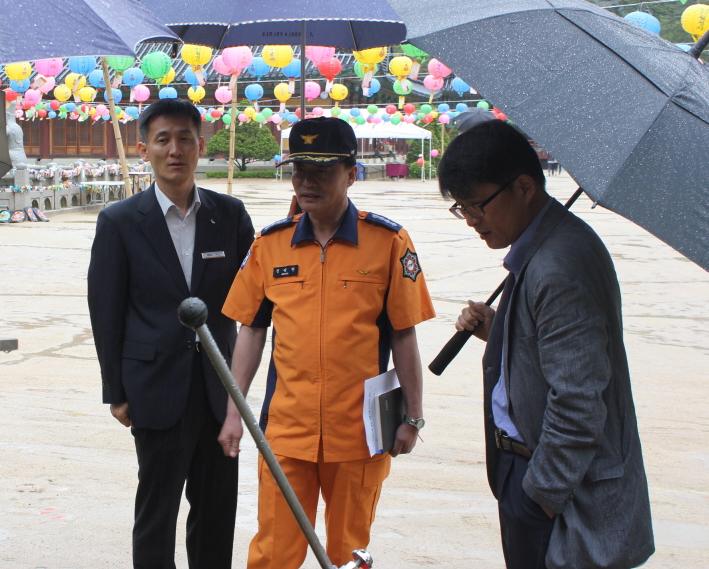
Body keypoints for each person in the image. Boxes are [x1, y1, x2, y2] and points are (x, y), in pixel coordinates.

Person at [220, 117, 435, 569]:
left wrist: (412, 416)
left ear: (351, 174)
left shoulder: (388, 242)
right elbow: (251, 331)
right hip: (286, 431)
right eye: (299, 171)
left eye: (321, 171)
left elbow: (404, 334)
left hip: (360, 434)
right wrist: (233, 413)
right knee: (273, 554)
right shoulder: (270, 245)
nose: (307, 182)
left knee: (347, 553)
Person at [441, 121, 653, 569]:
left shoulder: (558, 266)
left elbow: (578, 399)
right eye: (461, 208)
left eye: (477, 205)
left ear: (523, 187)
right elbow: (555, 351)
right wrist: (501, 329)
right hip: (530, 471)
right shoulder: (539, 251)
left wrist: (541, 497)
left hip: (559, 491)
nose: (472, 220)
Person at [87, 98, 255, 569]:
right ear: (144, 149)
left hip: (219, 391)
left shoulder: (230, 215)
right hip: (155, 387)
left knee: (216, 510)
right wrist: (115, 391)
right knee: (156, 512)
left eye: (185, 139)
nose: (175, 149)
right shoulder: (120, 221)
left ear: (201, 145)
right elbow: (106, 311)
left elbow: (254, 299)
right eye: (163, 139)